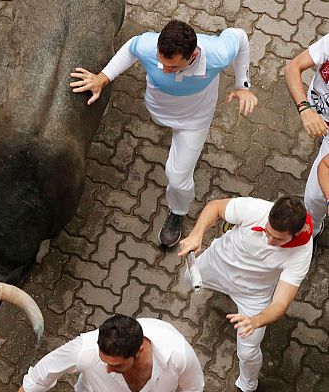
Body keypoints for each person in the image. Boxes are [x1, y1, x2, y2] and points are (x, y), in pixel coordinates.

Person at [70, 20, 257, 247]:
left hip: (194, 121)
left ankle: (177, 211)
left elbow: (239, 36)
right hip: (159, 110)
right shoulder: (148, 44)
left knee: (177, 177)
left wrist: (242, 85)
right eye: (161, 63)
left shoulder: (218, 53)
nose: (165, 70)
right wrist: (103, 77)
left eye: (173, 68)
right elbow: (131, 48)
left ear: (193, 56)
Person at [178, 196, 312, 392]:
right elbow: (215, 207)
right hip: (217, 264)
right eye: (267, 232)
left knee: (248, 352)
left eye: (279, 239)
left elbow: (280, 304)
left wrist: (256, 321)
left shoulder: (301, 254)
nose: (270, 241)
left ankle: (248, 385)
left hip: (253, 294)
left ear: (298, 232)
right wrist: (196, 235)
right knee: (188, 278)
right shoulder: (254, 208)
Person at [19, 314, 204, 392]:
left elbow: (192, 389)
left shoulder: (179, 355)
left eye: (116, 365)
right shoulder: (84, 351)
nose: (107, 369)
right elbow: (36, 380)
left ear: (139, 350)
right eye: (104, 361)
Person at [285, 33, 329, 242]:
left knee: (314, 197)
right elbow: (293, 67)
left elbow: (325, 168)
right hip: (317, 114)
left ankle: (313, 231)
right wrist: (305, 109)